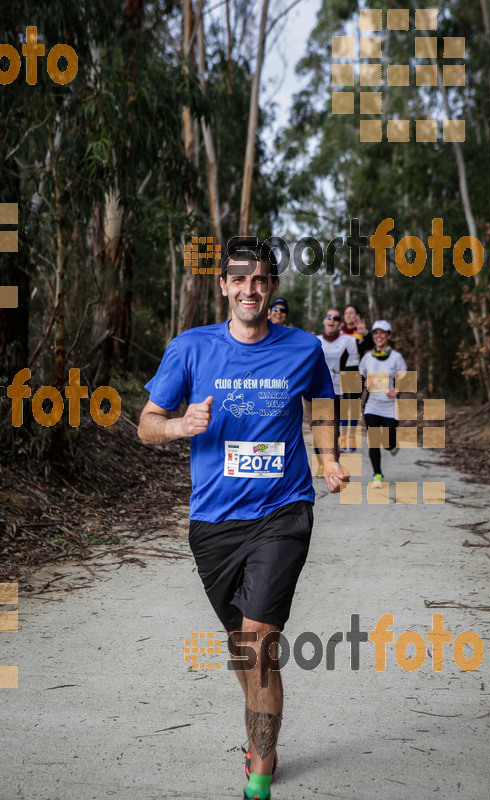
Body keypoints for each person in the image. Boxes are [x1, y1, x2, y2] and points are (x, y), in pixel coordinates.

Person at [137, 241, 347, 800]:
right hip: (214, 522)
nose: (250, 289)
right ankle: (263, 724)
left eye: (260, 280)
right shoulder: (190, 348)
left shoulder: (303, 349)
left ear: (272, 287)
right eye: (240, 280)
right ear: (225, 287)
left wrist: (328, 457)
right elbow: (146, 424)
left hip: (283, 511)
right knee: (242, 650)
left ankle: (260, 767)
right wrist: (180, 427)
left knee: (257, 641)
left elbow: (323, 408)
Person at [359, 320, 407, 486]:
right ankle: (377, 475)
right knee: (373, 441)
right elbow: (361, 376)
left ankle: (392, 446)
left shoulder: (396, 357)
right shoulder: (366, 358)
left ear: (389, 335)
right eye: (375, 333)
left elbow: (404, 378)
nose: (378, 336)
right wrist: (364, 382)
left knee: (387, 442)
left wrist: (397, 389)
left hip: (390, 406)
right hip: (372, 405)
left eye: (382, 333)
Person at [317, 309, 359, 455]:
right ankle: (322, 461)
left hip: (340, 391)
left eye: (335, 318)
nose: (331, 320)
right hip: (320, 391)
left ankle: (332, 462)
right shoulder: (316, 341)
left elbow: (354, 365)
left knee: (334, 427)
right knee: (320, 426)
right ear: (324, 320)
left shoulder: (349, 341)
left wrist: (352, 391)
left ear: (340, 324)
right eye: (328, 317)